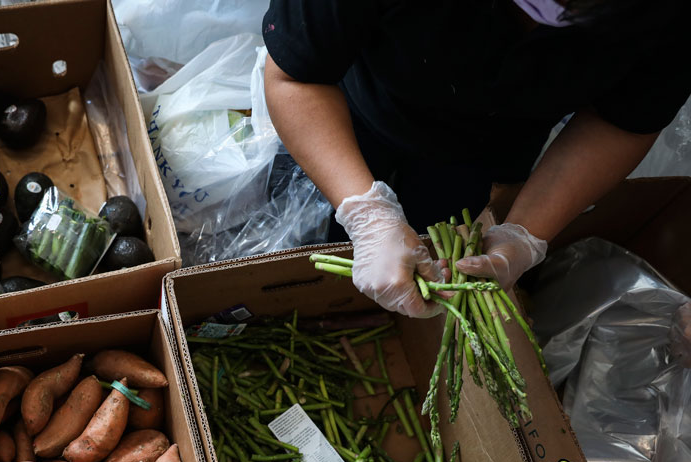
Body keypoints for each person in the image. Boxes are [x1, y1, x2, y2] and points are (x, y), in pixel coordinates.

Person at [262, 0, 691, 318]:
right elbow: (296, 76)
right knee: (299, 249)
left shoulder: (668, 17)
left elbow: (623, 120)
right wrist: (365, 212)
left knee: (428, 269)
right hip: (343, 113)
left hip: (482, 155)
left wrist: (526, 234)